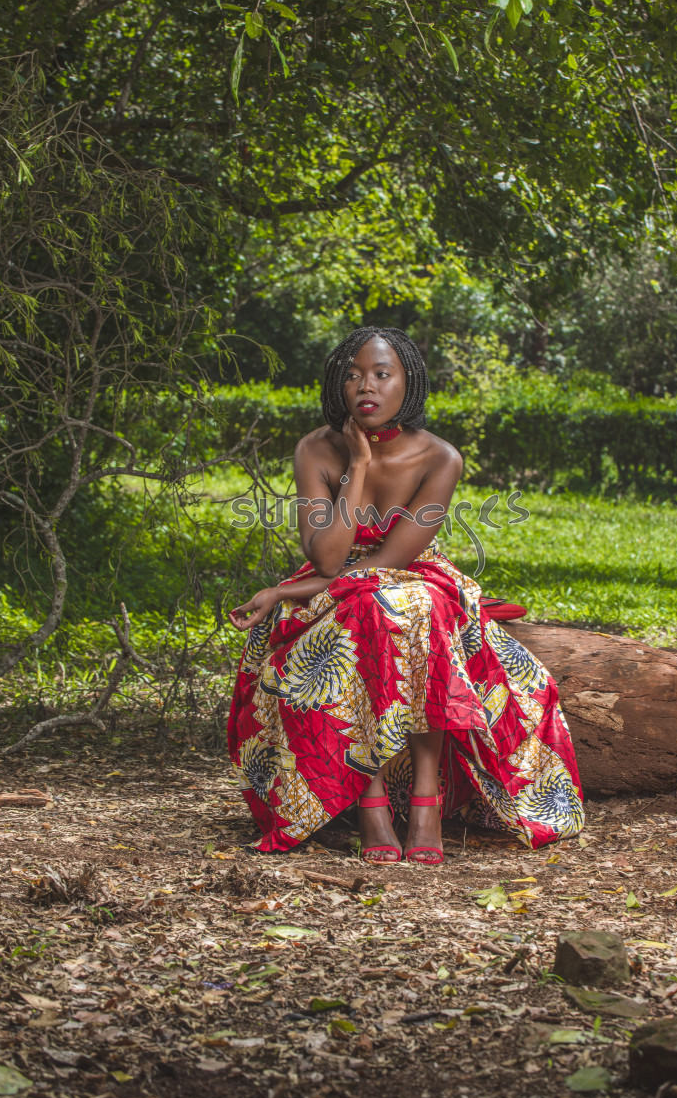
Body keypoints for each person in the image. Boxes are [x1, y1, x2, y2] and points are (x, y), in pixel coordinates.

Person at [227, 327, 584, 864]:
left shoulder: (441, 458)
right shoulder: (315, 449)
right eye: (352, 375)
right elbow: (329, 559)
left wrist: (286, 590)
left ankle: (425, 800)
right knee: (369, 608)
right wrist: (358, 466)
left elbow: (390, 562)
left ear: (408, 382)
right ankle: (370, 801)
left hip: (412, 577)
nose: (365, 386)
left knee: (406, 605)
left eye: (381, 374)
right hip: (339, 584)